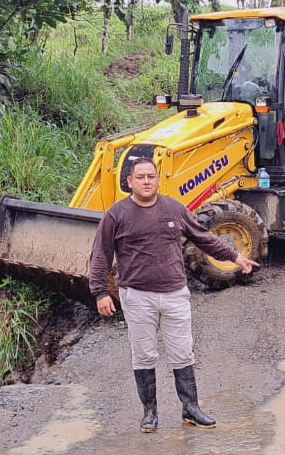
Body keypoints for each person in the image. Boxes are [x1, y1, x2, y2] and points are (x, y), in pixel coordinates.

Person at [87, 157, 261, 433]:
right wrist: (100, 292)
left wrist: (235, 257)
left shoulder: (174, 209)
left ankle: (191, 409)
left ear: (158, 180)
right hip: (137, 297)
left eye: (151, 176)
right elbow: (100, 256)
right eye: (140, 177)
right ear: (130, 182)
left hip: (175, 294)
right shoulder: (116, 215)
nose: (146, 181)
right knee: (144, 355)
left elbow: (203, 237)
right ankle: (149, 413)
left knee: (182, 353)